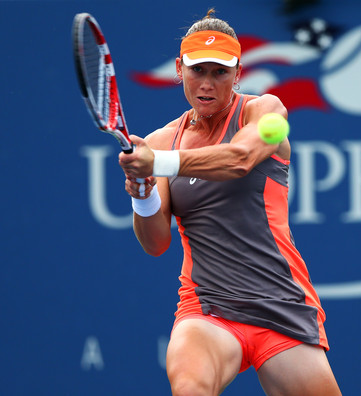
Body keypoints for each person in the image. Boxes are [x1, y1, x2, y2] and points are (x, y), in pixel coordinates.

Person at [118, 9, 342, 396]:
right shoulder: (160, 142)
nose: (207, 83)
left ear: (238, 73)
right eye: (197, 70)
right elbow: (155, 243)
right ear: (179, 69)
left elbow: (239, 160)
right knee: (190, 387)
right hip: (207, 308)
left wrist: (160, 165)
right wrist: (143, 193)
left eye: (220, 72)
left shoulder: (264, 112)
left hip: (280, 303)